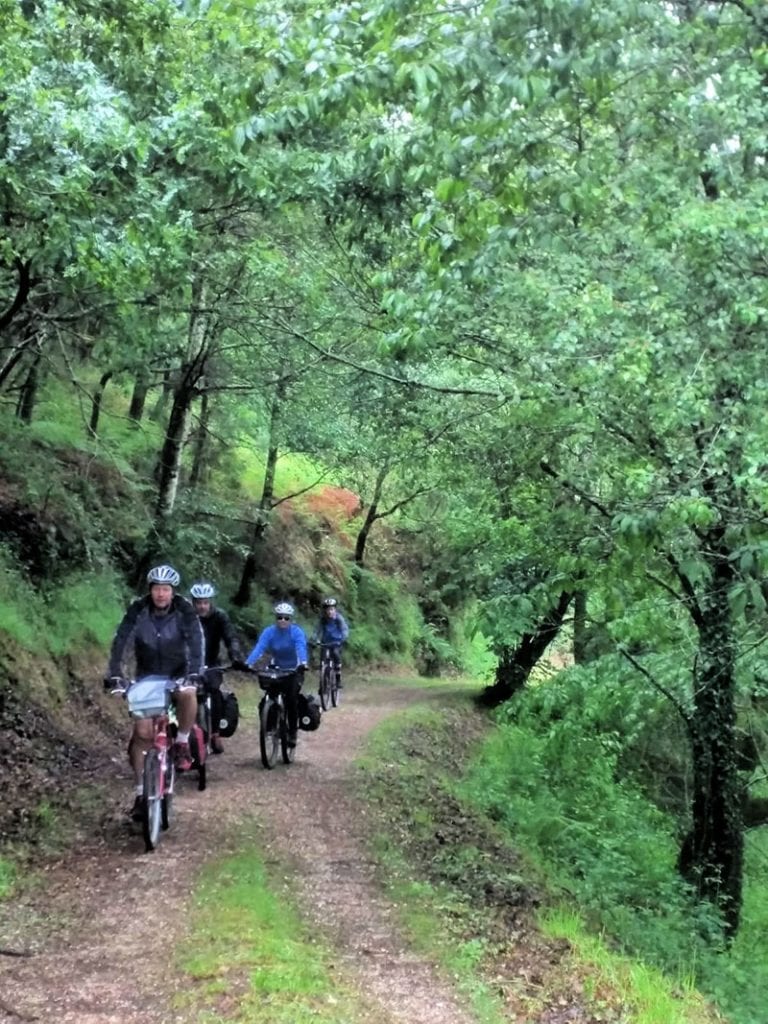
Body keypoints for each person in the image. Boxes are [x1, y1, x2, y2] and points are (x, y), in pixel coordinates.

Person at [104, 564, 204, 820]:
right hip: (147, 676)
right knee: (142, 734)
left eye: (165, 589)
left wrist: (194, 672)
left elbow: (195, 643)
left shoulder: (185, 611)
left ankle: (181, 742)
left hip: (178, 673)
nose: (161, 594)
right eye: (156, 589)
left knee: (188, 694)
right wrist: (116, 673)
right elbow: (122, 642)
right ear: (150, 591)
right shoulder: (138, 611)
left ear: (172, 592)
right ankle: (141, 793)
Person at [189, 580, 244, 754]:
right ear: (193, 603)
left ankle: (215, 733)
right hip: (189, 664)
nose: (202, 606)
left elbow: (230, 637)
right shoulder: (186, 617)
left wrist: (234, 654)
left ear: (211, 602)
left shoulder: (220, 616)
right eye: (198, 602)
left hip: (212, 663)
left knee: (215, 691)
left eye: (205, 602)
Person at [244, 601, 308, 746]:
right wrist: (248, 663)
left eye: (286, 618)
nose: (283, 621)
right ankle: (269, 724)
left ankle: (292, 732)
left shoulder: (296, 632)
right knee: (268, 697)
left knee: (292, 700)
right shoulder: (269, 632)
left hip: (294, 668)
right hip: (276, 668)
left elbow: (301, 648)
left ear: (291, 619)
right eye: (280, 617)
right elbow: (259, 648)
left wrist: (303, 663)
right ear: (276, 618)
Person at [312, 596, 349, 689]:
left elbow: (344, 629)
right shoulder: (323, 619)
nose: (330, 612)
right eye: (328, 609)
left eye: (332, 609)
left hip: (336, 642)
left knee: (336, 655)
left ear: (335, 609)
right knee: (322, 662)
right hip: (325, 643)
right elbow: (317, 630)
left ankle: (338, 679)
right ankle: (323, 682)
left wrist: (343, 638)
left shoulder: (338, 619)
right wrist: (314, 638)